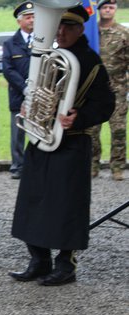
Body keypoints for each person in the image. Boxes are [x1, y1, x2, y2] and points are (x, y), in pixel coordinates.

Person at [10, 6, 115, 286]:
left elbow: (106, 105)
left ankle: (65, 265)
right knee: (34, 201)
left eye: (68, 27)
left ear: (81, 29)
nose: (61, 31)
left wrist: (79, 117)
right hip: (40, 137)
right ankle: (38, 259)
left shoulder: (92, 63)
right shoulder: (48, 57)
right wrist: (29, 104)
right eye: (58, 26)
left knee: (66, 206)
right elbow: (35, 89)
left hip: (71, 142)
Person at [89, 0, 128, 181]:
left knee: (118, 130)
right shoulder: (91, 33)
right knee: (92, 130)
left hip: (117, 90)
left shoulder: (123, 33)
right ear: (99, 10)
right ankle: (92, 165)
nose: (108, 10)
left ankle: (117, 167)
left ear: (115, 10)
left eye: (111, 7)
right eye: (104, 7)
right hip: (94, 91)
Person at [2, 1, 34, 180]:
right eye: (28, 17)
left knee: (40, 131)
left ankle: (37, 165)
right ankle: (18, 166)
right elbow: (8, 69)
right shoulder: (10, 43)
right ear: (19, 21)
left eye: (34, 17)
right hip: (18, 94)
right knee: (18, 133)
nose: (32, 21)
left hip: (39, 95)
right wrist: (23, 88)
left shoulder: (44, 40)